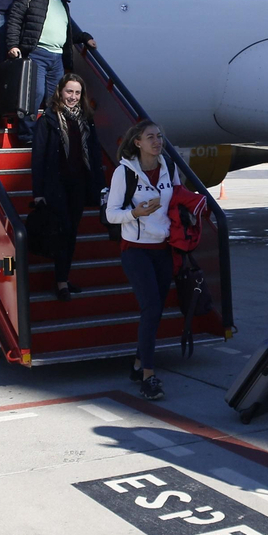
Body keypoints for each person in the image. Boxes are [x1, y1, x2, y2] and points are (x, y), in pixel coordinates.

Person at [105, 120, 180, 401]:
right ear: (137, 142)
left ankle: (138, 365)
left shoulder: (169, 167)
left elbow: (177, 199)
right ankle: (148, 376)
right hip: (135, 249)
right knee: (150, 307)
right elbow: (111, 214)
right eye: (150, 137)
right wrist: (135, 213)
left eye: (159, 136)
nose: (157, 141)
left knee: (157, 309)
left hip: (162, 247)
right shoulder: (124, 173)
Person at [30, 73, 106, 301]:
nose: (72, 97)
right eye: (69, 91)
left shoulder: (86, 120)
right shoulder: (48, 120)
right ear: (60, 92)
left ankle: (63, 277)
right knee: (62, 231)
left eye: (77, 93)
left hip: (79, 185)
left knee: (72, 232)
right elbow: (38, 159)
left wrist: (100, 188)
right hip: (57, 185)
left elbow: (93, 154)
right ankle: (61, 281)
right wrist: (38, 193)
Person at [5, 0, 96, 142]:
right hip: (36, 53)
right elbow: (14, 19)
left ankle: (50, 133)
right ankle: (27, 135)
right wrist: (12, 45)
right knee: (34, 94)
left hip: (57, 58)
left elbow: (67, 27)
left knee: (55, 98)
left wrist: (85, 37)